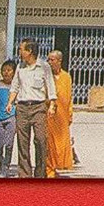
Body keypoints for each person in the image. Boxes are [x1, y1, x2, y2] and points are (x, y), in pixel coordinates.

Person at [10, 38, 57, 178]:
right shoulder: (20, 67)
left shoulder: (44, 66)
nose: (19, 51)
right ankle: (24, 174)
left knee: (41, 139)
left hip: (39, 107)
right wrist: (10, 102)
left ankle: (40, 173)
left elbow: (50, 85)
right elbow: (15, 86)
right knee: (22, 142)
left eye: (21, 49)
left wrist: (52, 105)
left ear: (29, 51)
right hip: (22, 107)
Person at [45, 50, 74, 178]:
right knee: (49, 144)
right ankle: (49, 169)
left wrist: (70, 113)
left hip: (62, 116)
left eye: (52, 60)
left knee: (61, 145)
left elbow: (69, 96)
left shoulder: (66, 77)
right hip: (49, 115)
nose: (50, 62)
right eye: (48, 60)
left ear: (59, 61)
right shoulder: (46, 76)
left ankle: (57, 166)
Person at [0, 60, 17, 177]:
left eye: (9, 70)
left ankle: (5, 167)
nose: (6, 73)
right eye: (4, 70)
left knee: (9, 143)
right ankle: (1, 162)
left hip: (11, 117)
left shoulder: (16, 86)